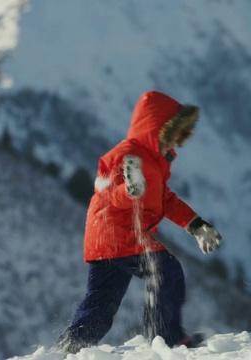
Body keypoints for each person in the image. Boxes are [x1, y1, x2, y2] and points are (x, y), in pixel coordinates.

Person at [57, 90, 222, 353]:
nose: (176, 145)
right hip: (118, 233)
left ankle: (70, 349)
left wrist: (196, 224)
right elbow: (108, 191)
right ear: (159, 131)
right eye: (173, 137)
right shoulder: (127, 153)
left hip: (105, 241)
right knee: (166, 270)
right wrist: (129, 190)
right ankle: (166, 337)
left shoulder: (155, 163)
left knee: (101, 305)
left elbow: (164, 199)